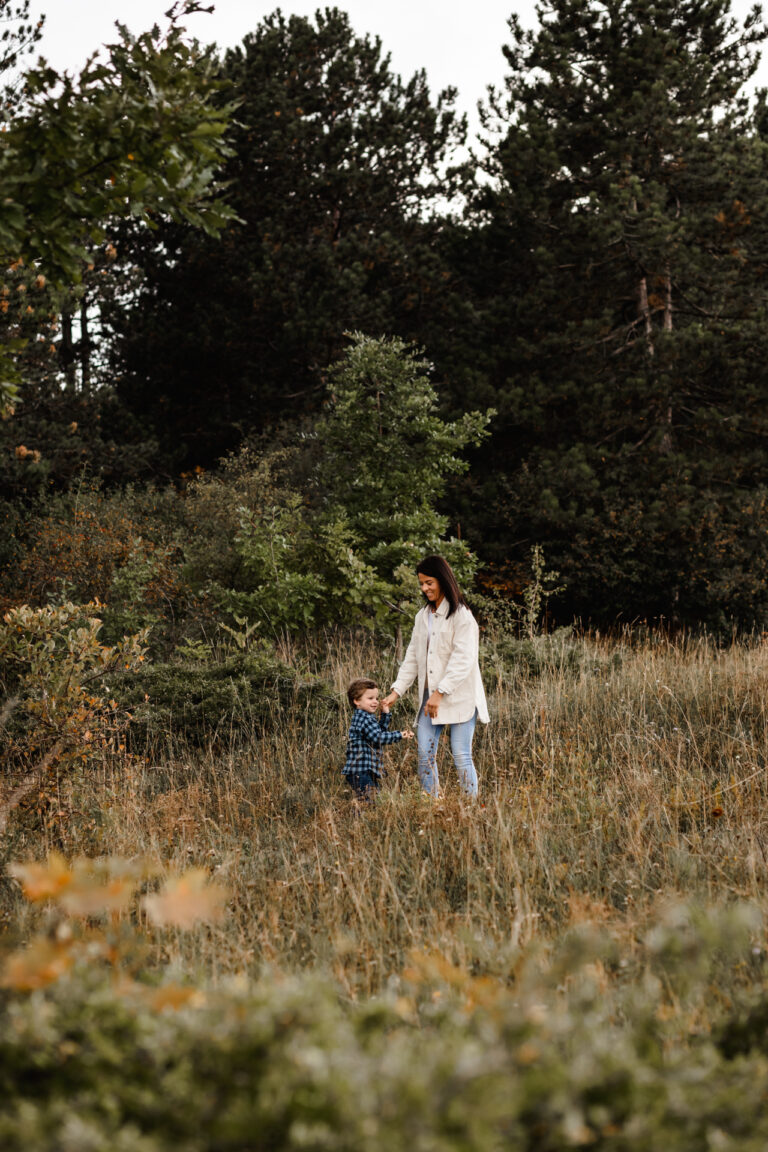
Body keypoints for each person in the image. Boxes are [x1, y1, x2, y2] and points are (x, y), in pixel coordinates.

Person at [382, 555, 489, 797]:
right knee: (424, 754)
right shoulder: (423, 616)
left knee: (461, 754)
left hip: (459, 695)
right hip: (430, 699)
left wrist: (440, 692)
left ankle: (470, 808)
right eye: (421, 583)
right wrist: (396, 691)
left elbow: (464, 659)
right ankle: (433, 803)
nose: (424, 588)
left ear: (442, 579)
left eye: (429, 582)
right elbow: (413, 656)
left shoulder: (461, 615)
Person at [342, 677, 413, 801]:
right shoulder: (363, 718)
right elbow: (378, 738)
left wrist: (385, 714)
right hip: (361, 771)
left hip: (366, 770)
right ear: (357, 701)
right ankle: (360, 819)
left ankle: (361, 817)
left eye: (376, 698)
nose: (375, 701)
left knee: (370, 800)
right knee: (369, 801)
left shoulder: (367, 717)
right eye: (370, 698)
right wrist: (399, 735)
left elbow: (378, 733)